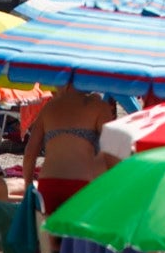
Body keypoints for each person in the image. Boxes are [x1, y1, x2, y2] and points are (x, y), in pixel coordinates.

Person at [22, 84, 115, 214]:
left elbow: (30, 153)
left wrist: (28, 187)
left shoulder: (49, 108)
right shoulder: (98, 107)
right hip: (81, 183)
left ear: (65, 84)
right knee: (78, 233)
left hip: (49, 184)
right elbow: (112, 150)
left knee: (49, 233)